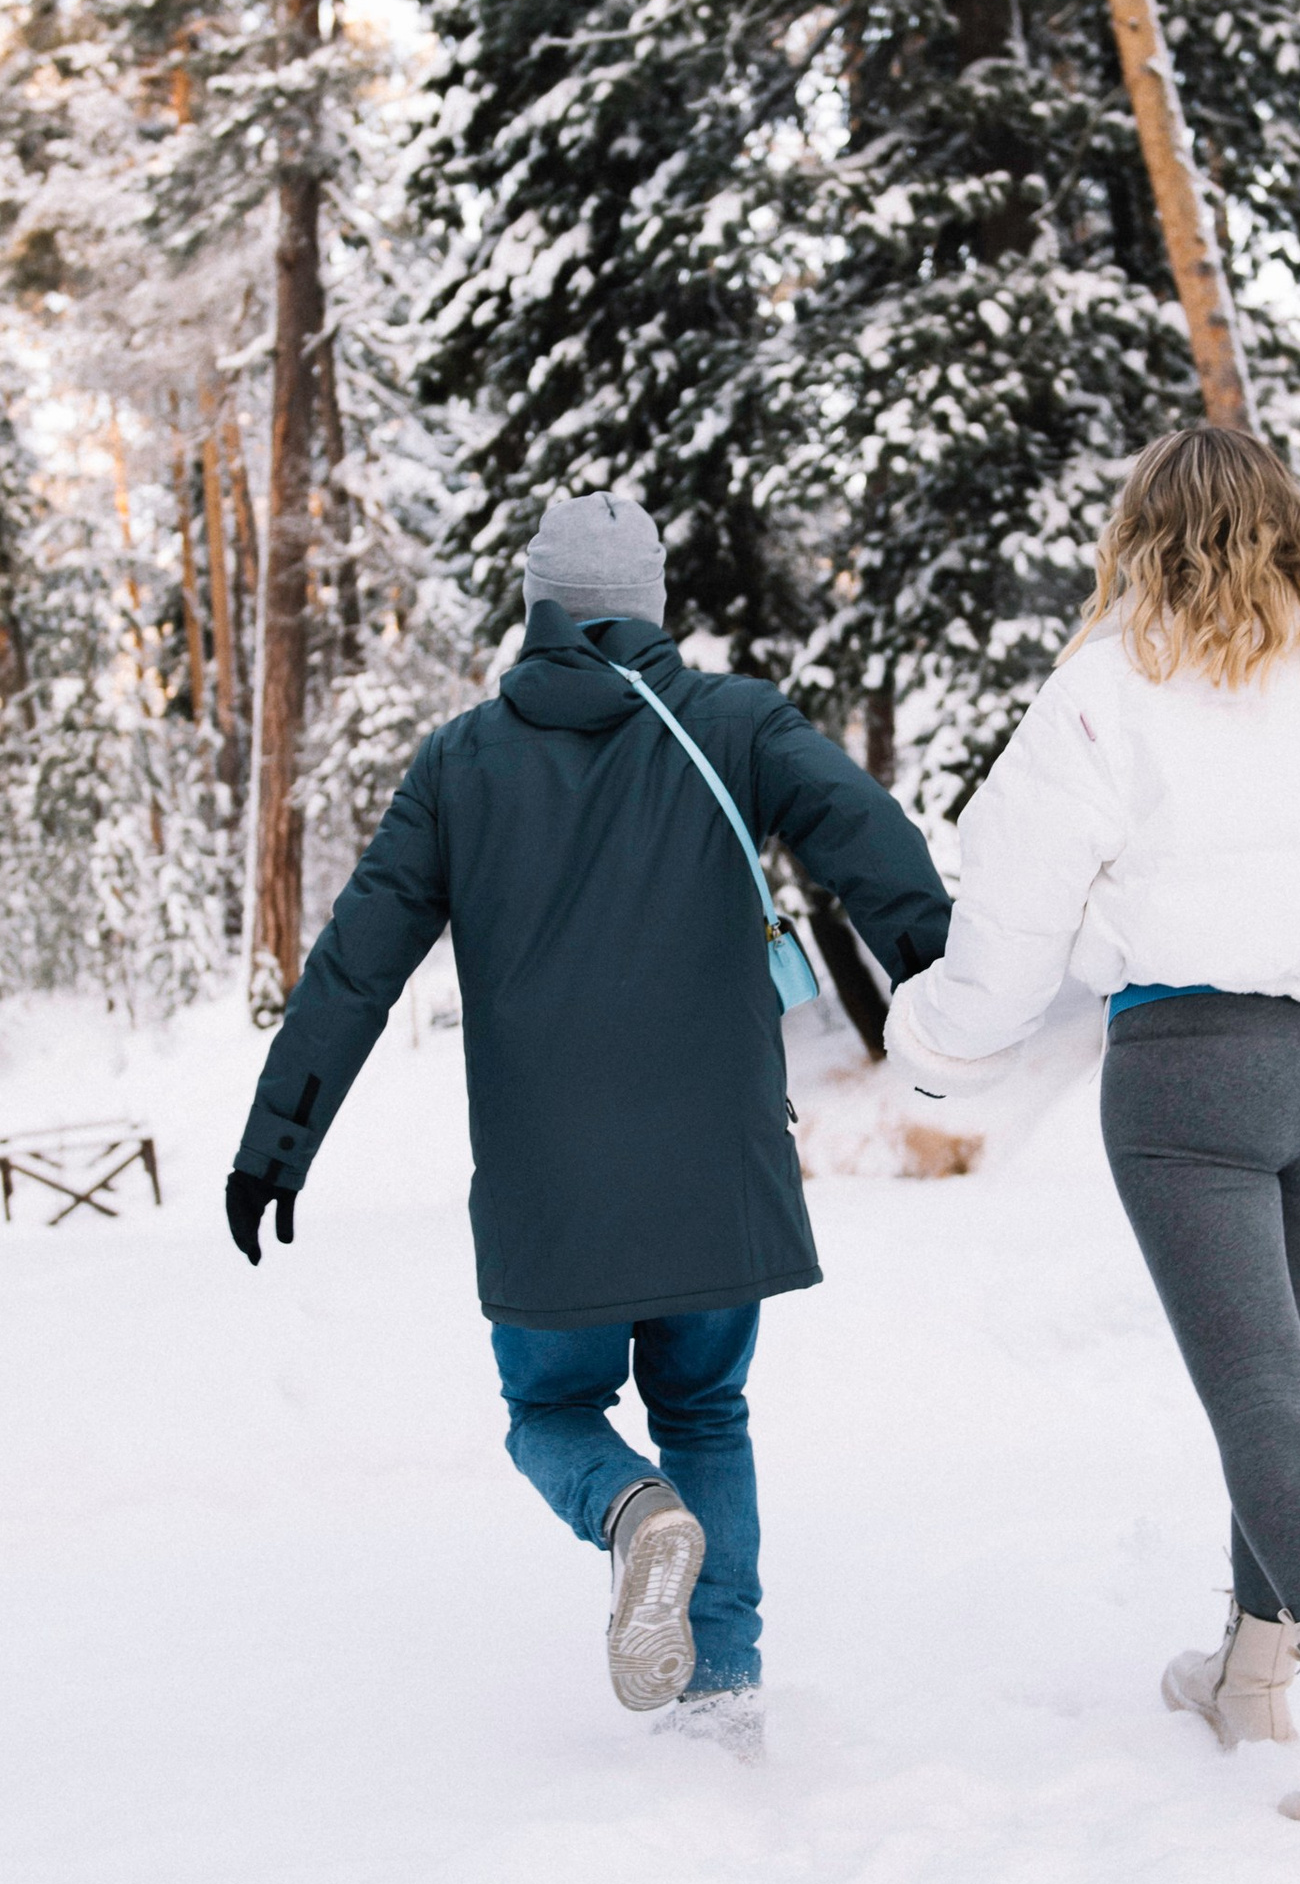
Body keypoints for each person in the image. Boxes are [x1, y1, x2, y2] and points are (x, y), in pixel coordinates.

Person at [226, 492, 952, 1750]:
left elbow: (357, 962)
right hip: (714, 1165)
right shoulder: (737, 722)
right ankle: (719, 1690)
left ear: (539, 607)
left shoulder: (460, 762)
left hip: (547, 1189)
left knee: (551, 1413)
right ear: (651, 605)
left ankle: (627, 1514)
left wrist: (274, 1141)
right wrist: (945, 989)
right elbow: (867, 839)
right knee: (706, 1408)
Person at [884, 426, 1300, 1842]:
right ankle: (1249, 1674)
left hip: (1196, 1079)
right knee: (1282, 1389)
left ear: (1137, 537)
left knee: (1258, 1397)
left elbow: (1014, 920)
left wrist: (937, 1046)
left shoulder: (1106, 685)